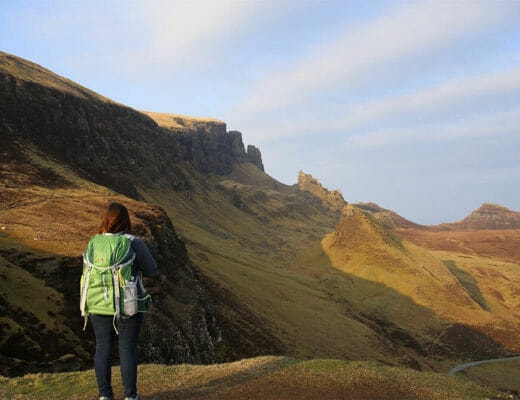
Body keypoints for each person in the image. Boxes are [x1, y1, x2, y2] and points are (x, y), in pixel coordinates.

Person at [85, 202, 157, 400]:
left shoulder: (94, 242)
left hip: (98, 304)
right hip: (127, 304)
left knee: (102, 349)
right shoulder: (133, 242)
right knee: (126, 349)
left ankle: (104, 396)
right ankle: (130, 396)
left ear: (105, 220)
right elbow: (151, 269)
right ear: (126, 220)